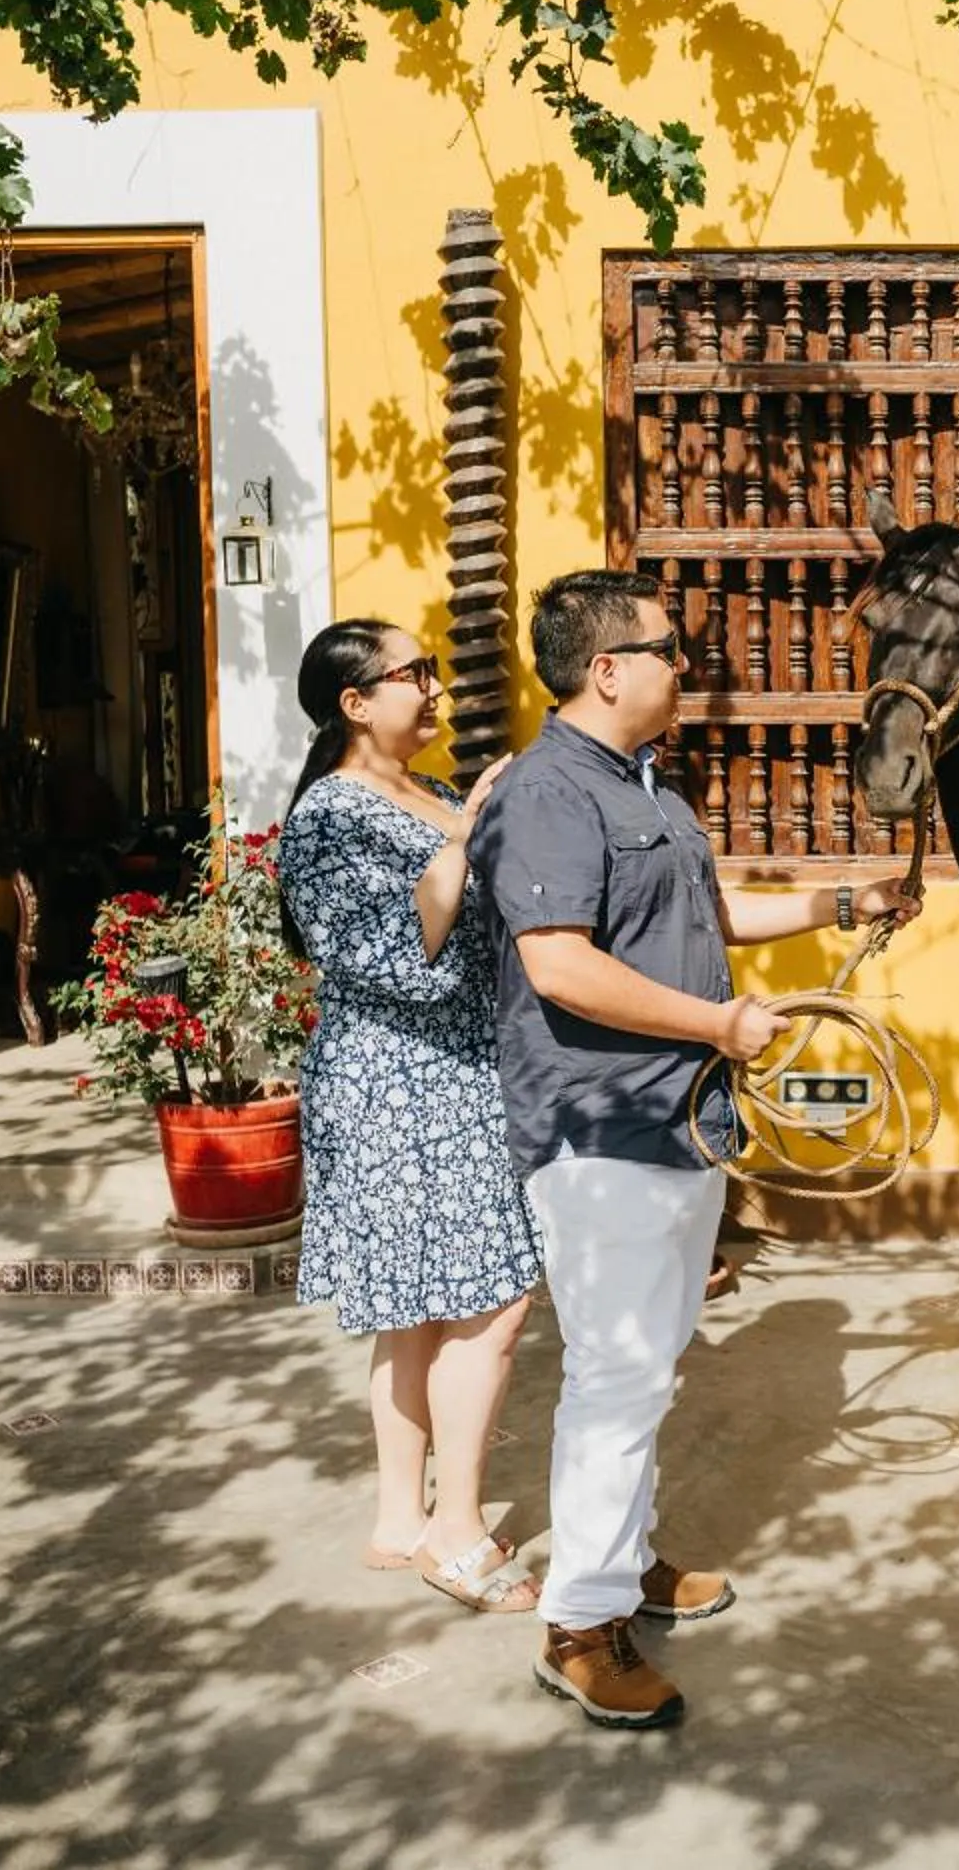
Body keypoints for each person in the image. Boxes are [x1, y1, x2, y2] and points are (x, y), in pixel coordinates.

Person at [470, 569, 919, 1729]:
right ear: (606, 668)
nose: (689, 669)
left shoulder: (645, 788)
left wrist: (838, 902)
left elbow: (709, 911)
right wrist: (722, 1025)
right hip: (602, 1122)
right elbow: (559, 965)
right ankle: (579, 1627)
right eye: (671, 651)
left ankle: (622, 1563)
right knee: (618, 1372)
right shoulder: (548, 792)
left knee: (649, 1367)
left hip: (679, 1122)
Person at [275, 618, 544, 1614]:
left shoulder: (426, 793)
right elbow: (382, 958)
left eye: (431, 669)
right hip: (398, 1080)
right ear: (356, 702)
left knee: (422, 1307)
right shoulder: (327, 818)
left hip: (457, 1073)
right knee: (495, 1298)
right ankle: (457, 1532)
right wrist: (467, 839)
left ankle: (401, 1519)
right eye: (413, 673)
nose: (433, 689)